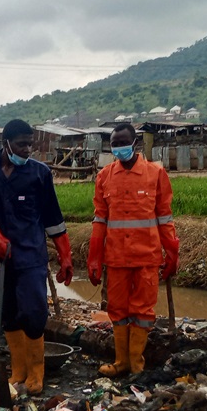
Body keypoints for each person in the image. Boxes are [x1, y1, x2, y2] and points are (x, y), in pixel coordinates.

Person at [0, 119, 73, 395]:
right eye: (21, 144)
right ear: (6, 143)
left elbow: (53, 219)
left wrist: (65, 256)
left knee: (34, 312)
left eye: (30, 143)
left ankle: (37, 373)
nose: (28, 149)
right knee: (9, 314)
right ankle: (18, 370)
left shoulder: (39, 174)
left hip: (31, 257)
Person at [86, 122, 179, 379]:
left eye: (123, 142)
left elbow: (164, 217)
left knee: (143, 311)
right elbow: (99, 220)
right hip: (116, 258)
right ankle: (121, 362)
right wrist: (94, 257)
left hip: (147, 257)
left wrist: (172, 252)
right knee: (117, 309)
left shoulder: (155, 174)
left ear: (135, 143)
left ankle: (137, 364)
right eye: (114, 144)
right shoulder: (104, 177)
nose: (119, 147)